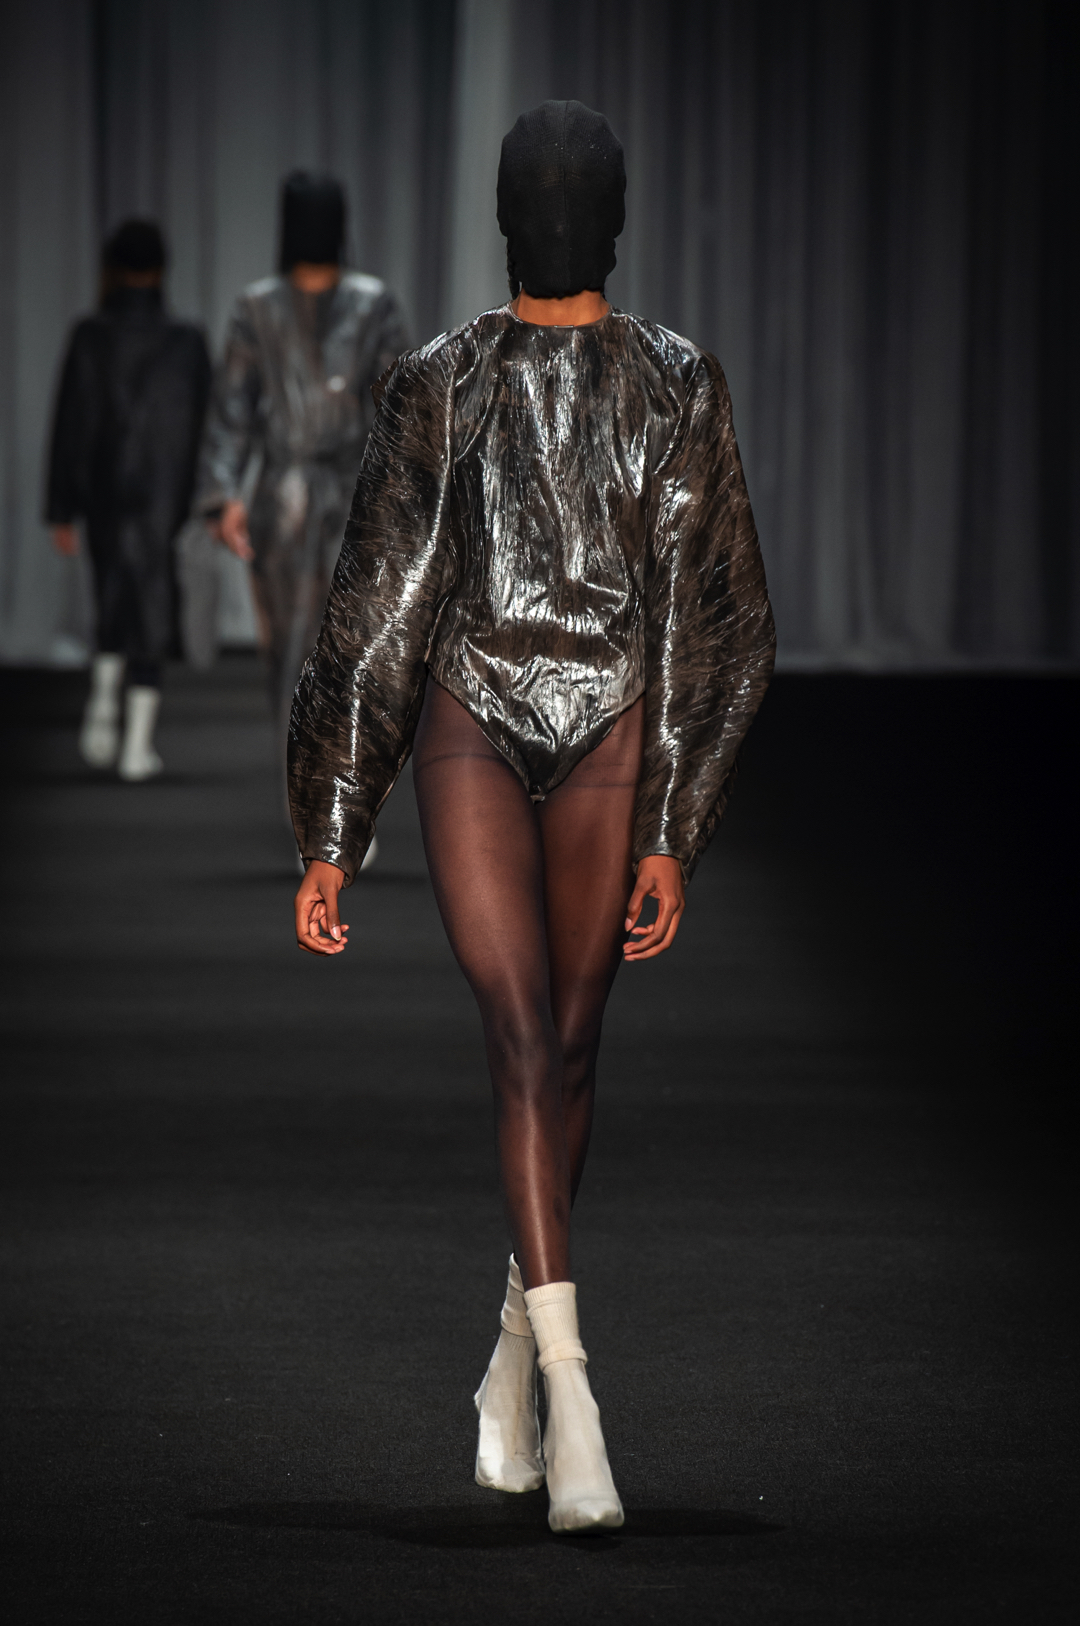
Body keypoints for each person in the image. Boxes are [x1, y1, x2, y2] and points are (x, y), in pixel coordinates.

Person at [289, 102, 776, 1533]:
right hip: (474, 722)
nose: (560, 217)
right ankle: (576, 1399)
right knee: (519, 1033)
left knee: (568, 1042)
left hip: (613, 721)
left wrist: (676, 823)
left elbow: (708, 617)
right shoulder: (439, 382)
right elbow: (385, 603)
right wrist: (334, 824)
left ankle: (511, 1357)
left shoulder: (675, 381)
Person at [197, 172, 410, 784]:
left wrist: (224, 496)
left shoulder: (349, 304)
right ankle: (319, 797)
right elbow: (233, 409)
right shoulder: (271, 307)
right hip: (313, 495)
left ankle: (331, 797)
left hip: (328, 493)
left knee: (332, 649)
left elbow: (401, 407)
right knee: (313, 649)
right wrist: (221, 496)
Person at [47, 220, 211, 779]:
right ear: (162, 268)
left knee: (111, 595)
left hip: (104, 490)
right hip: (166, 494)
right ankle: (137, 744)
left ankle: (101, 705)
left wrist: (61, 506)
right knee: (154, 607)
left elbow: (70, 424)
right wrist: (208, 501)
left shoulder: (90, 335)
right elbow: (205, 429)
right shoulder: (186, 340)